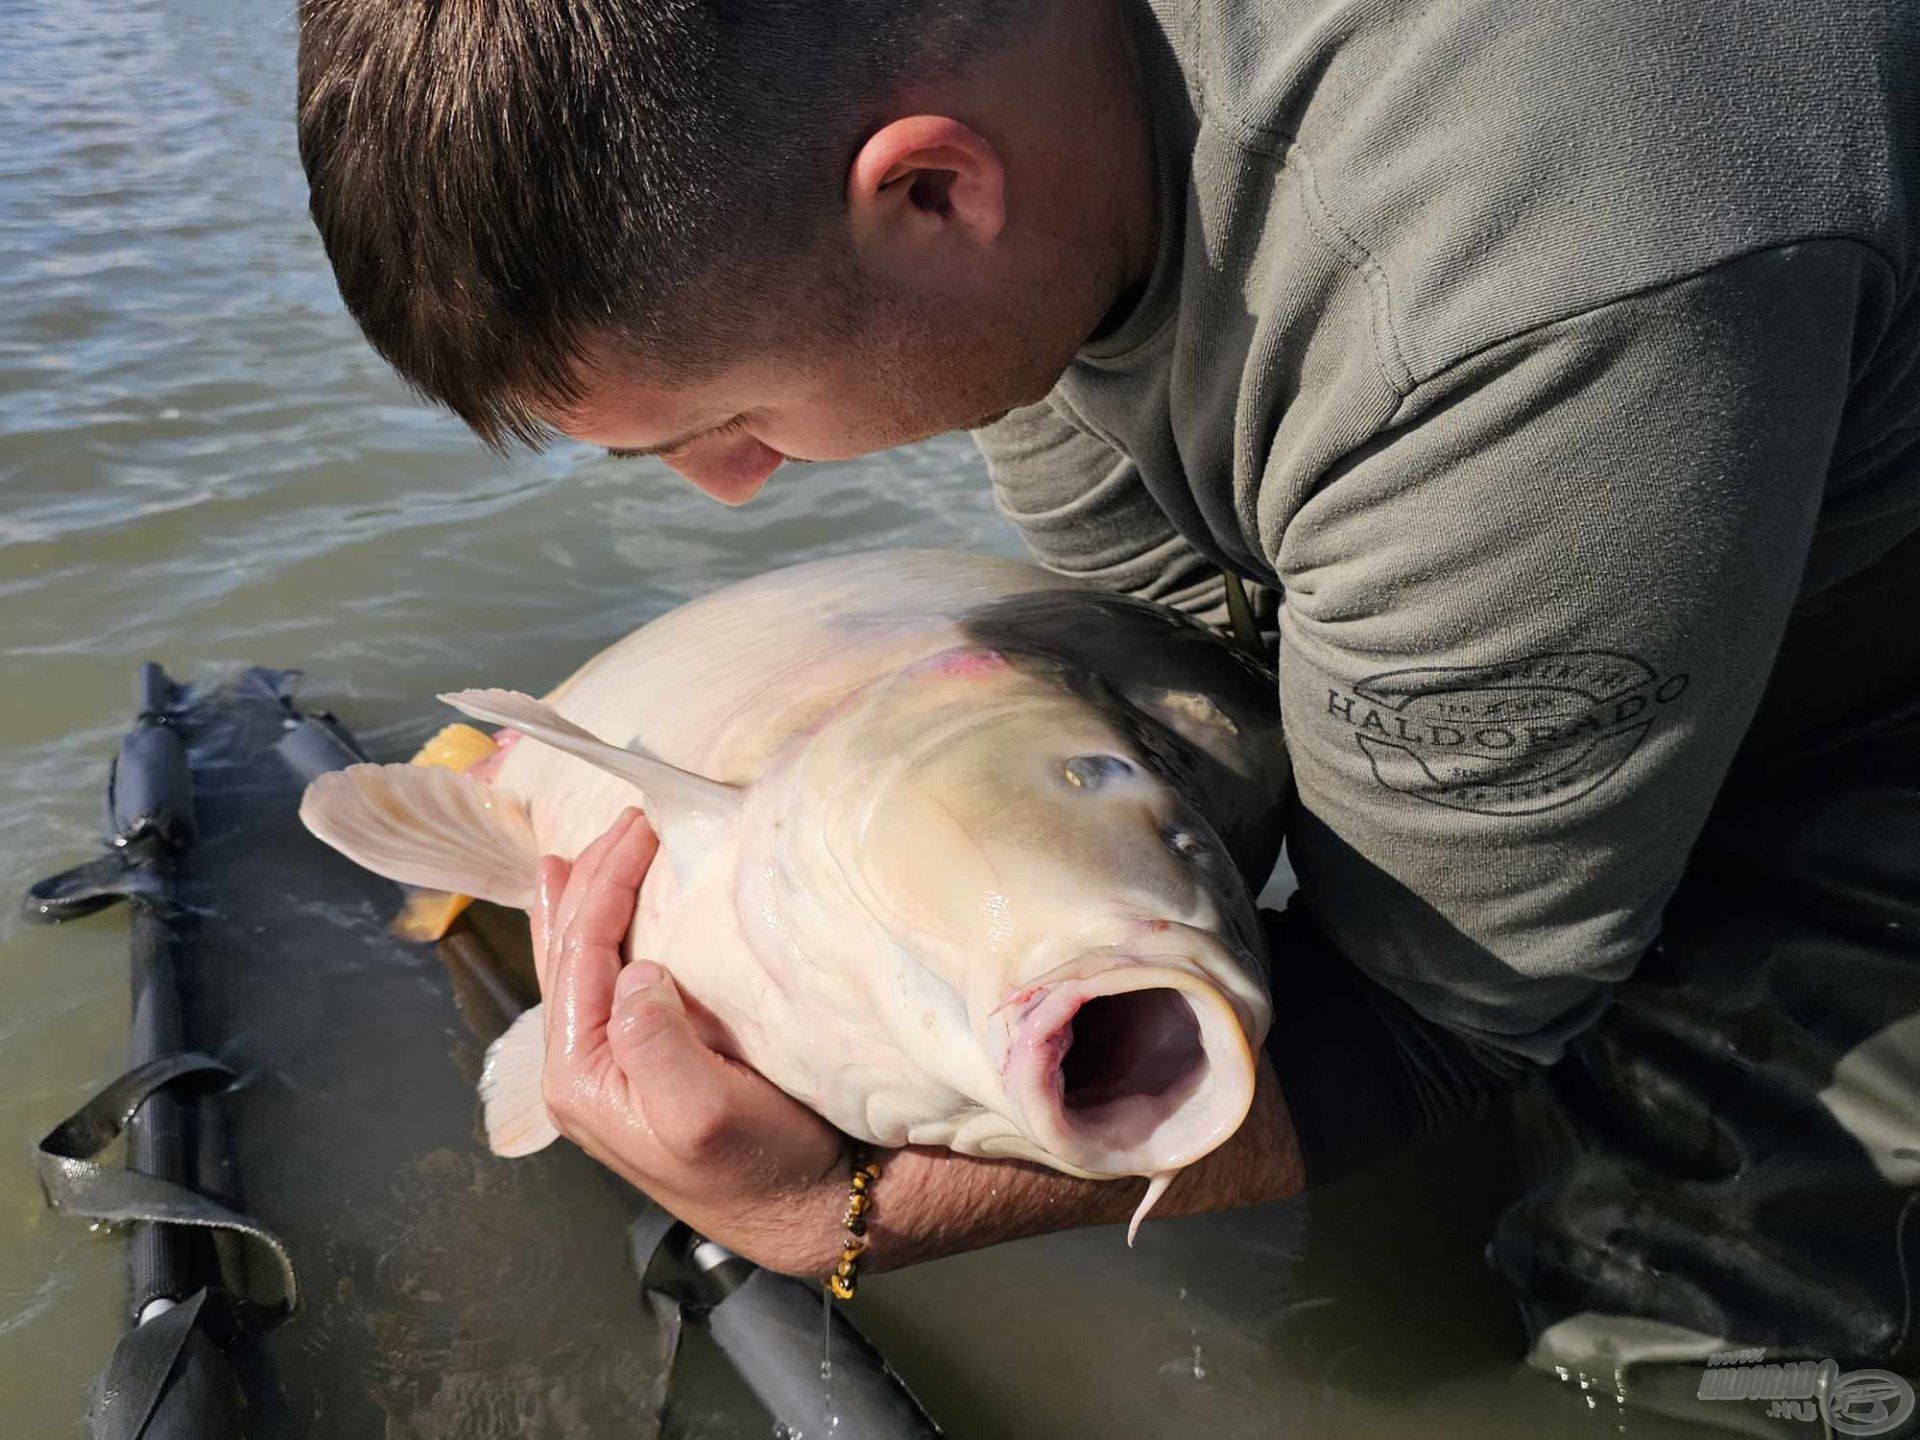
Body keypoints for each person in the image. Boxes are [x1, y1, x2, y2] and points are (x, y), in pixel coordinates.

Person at [295, 0, 1920, 1382]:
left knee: (1700, 1336)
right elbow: (1182, 626)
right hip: (1613, 456)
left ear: (930, 191)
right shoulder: (1050, 155)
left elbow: (1433, 1025)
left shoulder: (1533, 285)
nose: (731, 489)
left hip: (1854, 643)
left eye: (727, 418)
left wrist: (834, 1216)